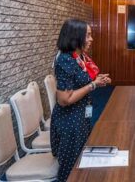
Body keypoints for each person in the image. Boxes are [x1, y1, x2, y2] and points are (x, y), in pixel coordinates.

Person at [50, 19, 111, 182]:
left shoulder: (78, 57)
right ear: (76, 37)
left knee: (81, 161)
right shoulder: (65, 60)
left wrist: (97, 80)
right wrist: (93, 85)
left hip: (81, 115)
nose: (91, 39)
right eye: (88, 35)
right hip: (70, 121)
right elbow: (64, 99)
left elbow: (80, 81)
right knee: (70, 169)